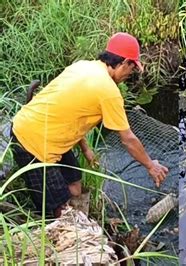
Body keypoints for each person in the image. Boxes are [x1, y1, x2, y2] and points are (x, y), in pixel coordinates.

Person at [10, 32, 169, 218]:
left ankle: (69, 213)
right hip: (30, 141)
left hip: (46, 130)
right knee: (59, 210)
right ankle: (58, 225)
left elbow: (72, 114)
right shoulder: (108, 91)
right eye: (132, 69)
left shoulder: (83, 66)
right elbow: (128, 139)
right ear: (125, 62)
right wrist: (151, 166)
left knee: (75, 187)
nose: (130, 75)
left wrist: (86, 149)